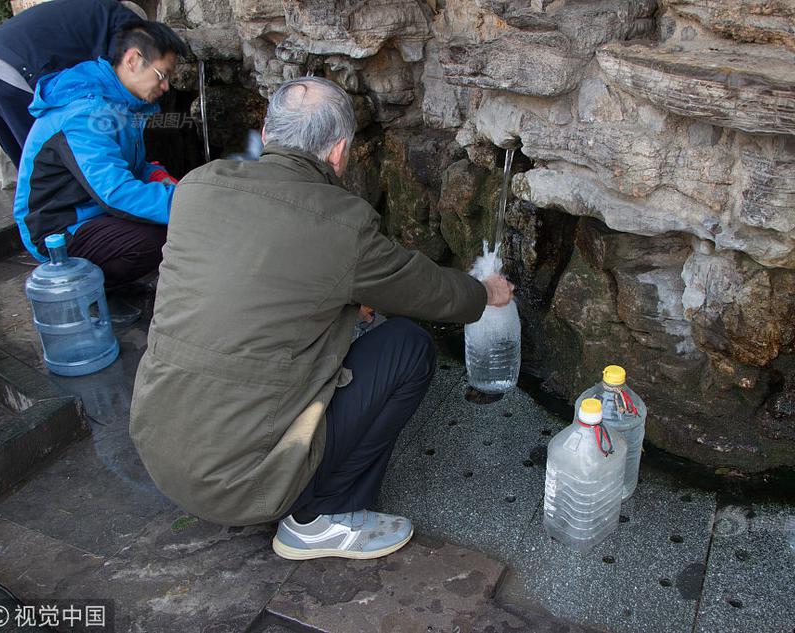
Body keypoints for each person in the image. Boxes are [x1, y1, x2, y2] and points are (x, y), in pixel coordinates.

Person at [129, 77, 515, 561]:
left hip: (160, 447)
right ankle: (322, 518)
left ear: (266, 132)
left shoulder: (197, 188)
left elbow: (263, 280)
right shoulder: (341, 222)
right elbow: (430, 292)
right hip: (242, 484)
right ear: (338, 152)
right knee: (408, 347)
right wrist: (486, 291)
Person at [12, 21, 187, 305]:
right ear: (133, 60)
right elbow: (116, 193)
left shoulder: (119, 102)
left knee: (167, 210)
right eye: (162, 75)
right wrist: (191, 205)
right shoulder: (85, 113)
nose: (166, 87)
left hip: (90, 210)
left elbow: (134, 167)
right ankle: (90, 292)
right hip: (58, 230)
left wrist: (163, 178)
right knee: (158, 237)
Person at [0, 0, 147, 167]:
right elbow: (116, 82)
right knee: (50, 158)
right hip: (16, 67)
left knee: (26, 159)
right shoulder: (126, 20)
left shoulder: (91, 12)